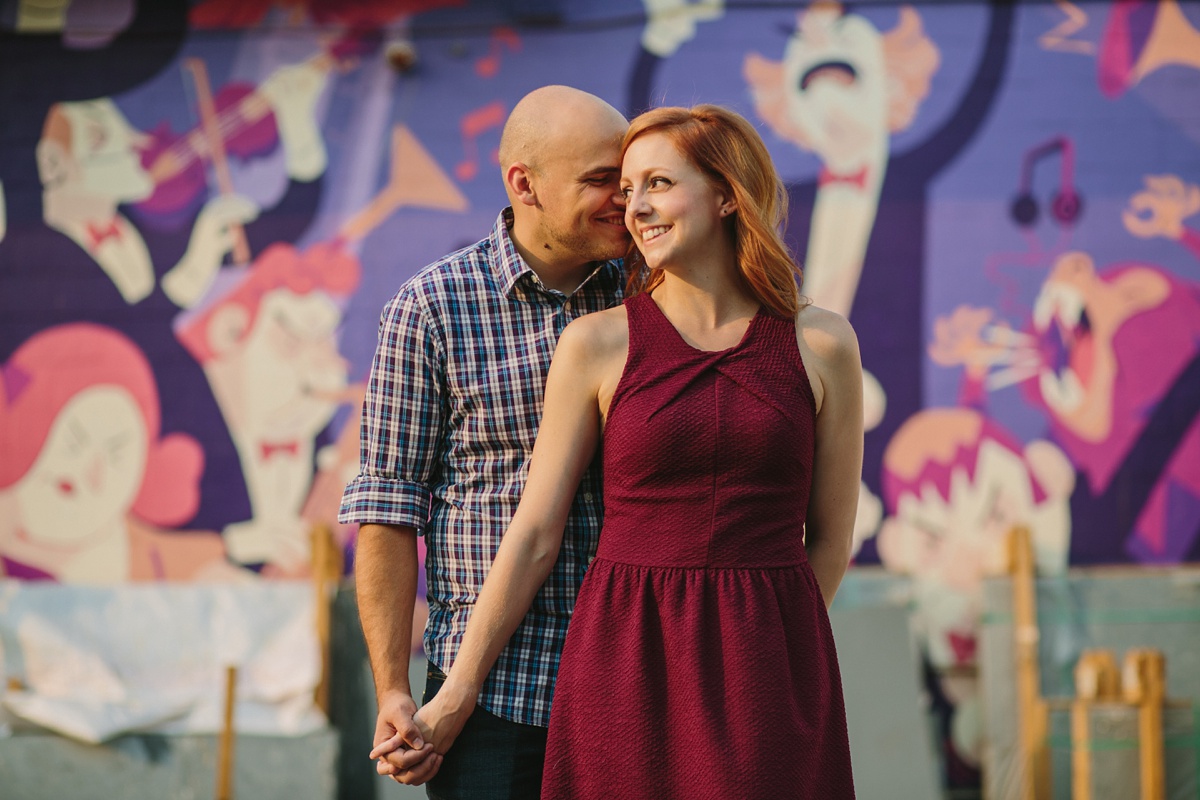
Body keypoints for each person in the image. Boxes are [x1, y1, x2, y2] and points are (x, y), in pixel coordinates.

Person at [397, 104, 864, 798]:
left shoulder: (822, 343)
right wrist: (455, 690)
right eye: (625, 186)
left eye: (658, 184)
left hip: (768, 667)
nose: (633, 206)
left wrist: (777, 644)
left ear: (728, 194)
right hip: (625, 658)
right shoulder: (595, 344)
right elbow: (534, 533)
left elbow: (829, 537)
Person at [339, 84, 630, 797]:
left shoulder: (656, 294)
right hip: (492, 690)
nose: (626, 199)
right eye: (601, 181)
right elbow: (387, 508)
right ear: (523, 184)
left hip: (634, 675)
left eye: (628, 180)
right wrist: (392, 689)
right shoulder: (431, 308)